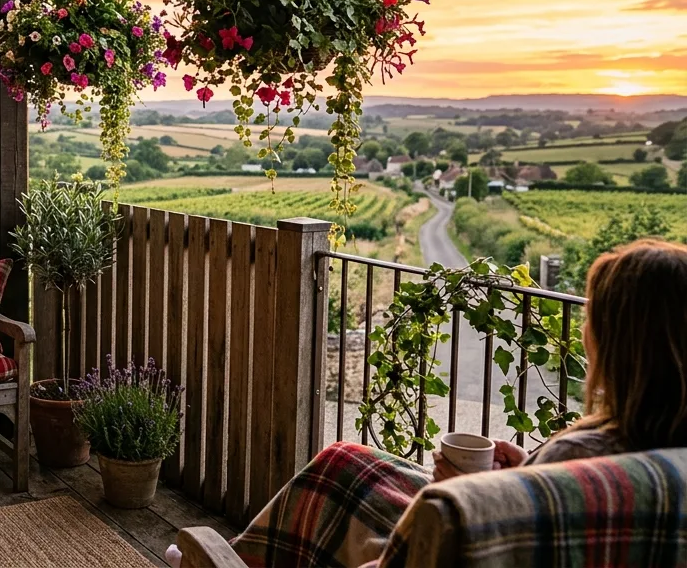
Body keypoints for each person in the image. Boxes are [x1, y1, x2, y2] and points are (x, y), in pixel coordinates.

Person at [230, 239, 687, 567]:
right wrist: (526, 470)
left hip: (462, 538)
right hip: (492, 520)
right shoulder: (654, 444)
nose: (585, 328)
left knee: (331, 486)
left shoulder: (583, 451)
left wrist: (501, 486)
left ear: (622, 343)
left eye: (593, 316)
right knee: (345, 459)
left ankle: (220, 560)